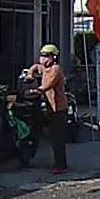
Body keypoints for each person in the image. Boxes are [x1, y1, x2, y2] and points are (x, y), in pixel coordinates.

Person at [26, 44, 68, 175]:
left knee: (57, 139)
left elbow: (48, 84)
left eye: (45, 56)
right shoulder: (45, 68)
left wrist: (36, 90)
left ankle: (61, 165)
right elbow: (36, 67)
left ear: (53, 58)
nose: (42, 59)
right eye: (41, 56)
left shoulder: (55, 69)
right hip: (49, 108)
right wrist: (30, 73)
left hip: (58, 109)